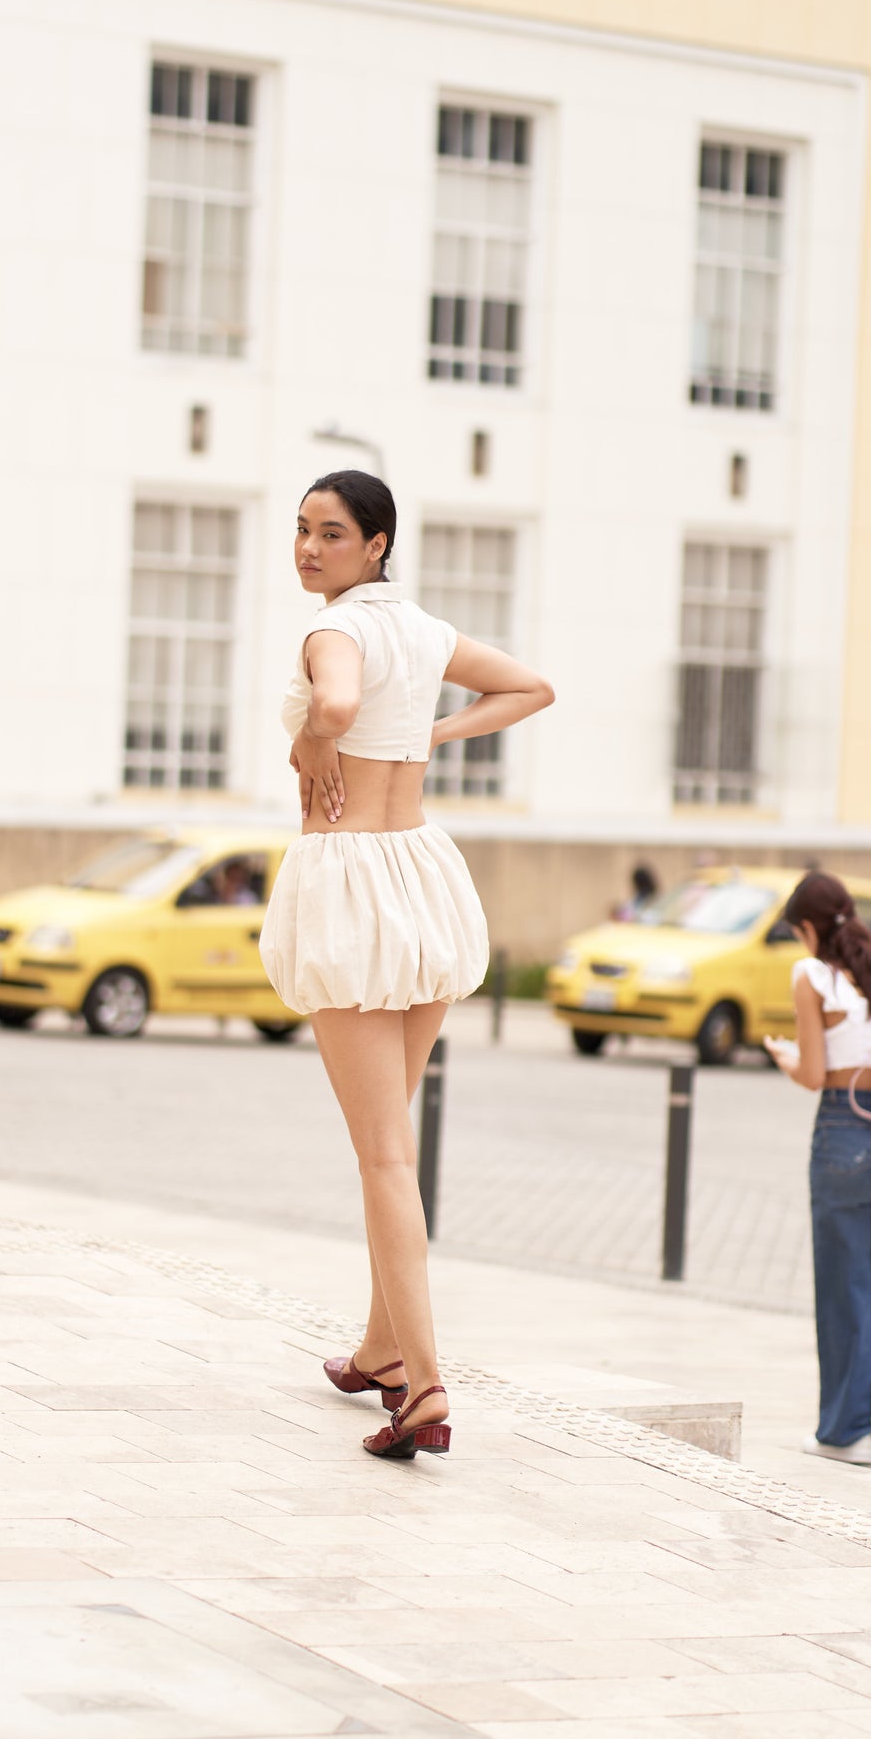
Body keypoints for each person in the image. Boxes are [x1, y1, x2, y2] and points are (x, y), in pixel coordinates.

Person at [260, 470, 553, 1462]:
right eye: (300, 529)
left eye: (330, 533)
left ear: (375, 543)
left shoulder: (332, 632)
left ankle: (422, 1387)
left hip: (349, 887)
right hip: (421, 876)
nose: (308, 548)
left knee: (382, 1153)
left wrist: (311, 738)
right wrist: (433, 731)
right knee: (394, 1139)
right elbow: (530, 686)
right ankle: (382, 1348)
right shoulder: (425, 632)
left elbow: (337, 700)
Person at [766, 870, 871, 1466]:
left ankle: (845, 1433)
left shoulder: (812, 977)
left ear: (809, 928)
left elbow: (815, 1074)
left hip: (846, 1132)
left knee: (844, 1282)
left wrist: (785, 1057)